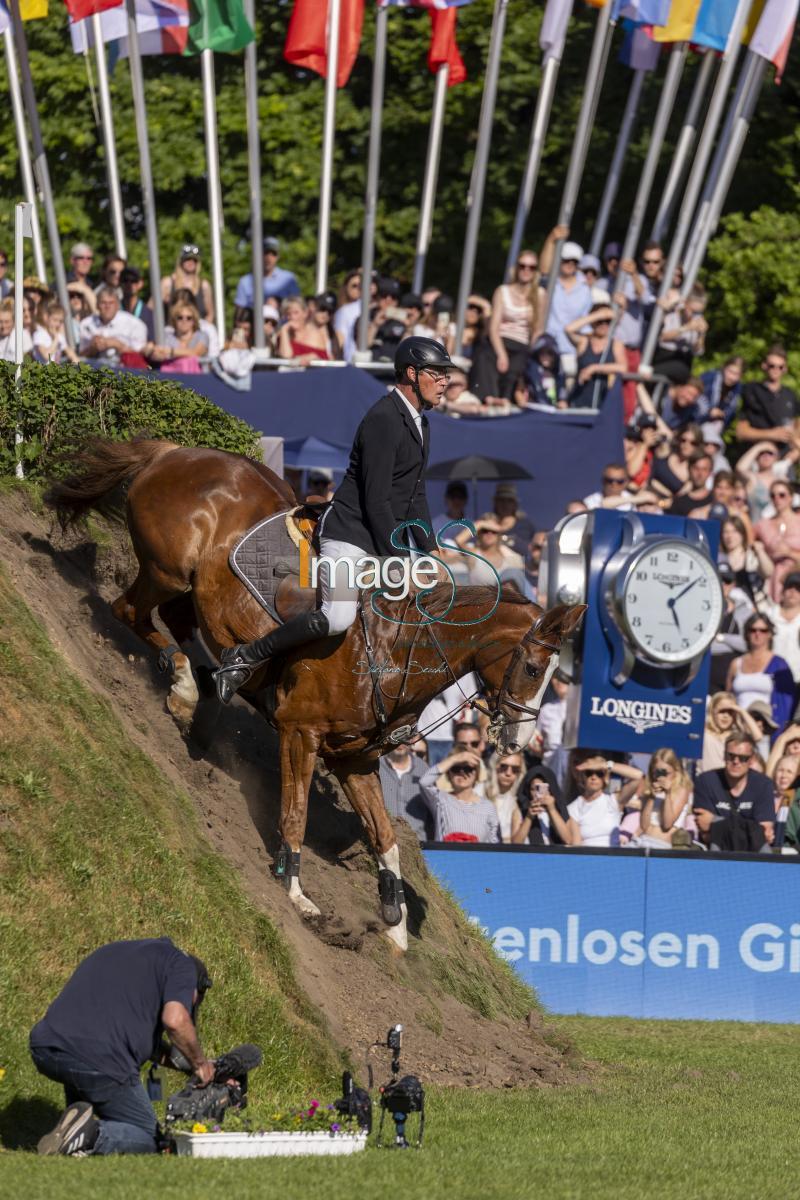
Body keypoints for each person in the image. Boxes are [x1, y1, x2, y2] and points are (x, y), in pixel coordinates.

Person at [214, 337, 453, 702]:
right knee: (338, 616)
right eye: (437, 373)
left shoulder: (421, 423)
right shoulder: (385, 419)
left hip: (378, 539)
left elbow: (416, 494)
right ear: (411, 373)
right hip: (350, 536)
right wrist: (403, 560)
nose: (445, 380)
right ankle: (245, 656)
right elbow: (376, 502)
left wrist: (431, 550)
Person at [29, 938, 213, 1156]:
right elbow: (175, 1020)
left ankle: (74, 1128)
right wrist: (201, 1064)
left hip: (46, 1045)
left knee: (87, 1074)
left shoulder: (120, 952)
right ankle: (90, 1135)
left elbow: (148, 1044)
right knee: (151, 1138)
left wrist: (188, 1066)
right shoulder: (183, 966)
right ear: (196, 989)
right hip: (100, 1059)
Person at [475, 251, 544, 402]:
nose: (526, 270)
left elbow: (538, 329)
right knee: (485, 356)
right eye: (523, 266)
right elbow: (494, 328)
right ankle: (488, 398)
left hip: (522, 343)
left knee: (518, 367)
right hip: (501, 339)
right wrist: (501, 354)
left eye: (531, 267)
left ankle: (507, 400)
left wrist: (531, 352)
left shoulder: (539, 294)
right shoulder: (502, 291)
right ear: (516, 268)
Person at [693, 732, 776, 846]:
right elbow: (706, 835)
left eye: (743, 758)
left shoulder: (763, 784)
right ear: (724, 755)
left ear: (751, 760)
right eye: (731, 756)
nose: (736, 761)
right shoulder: (705, 781)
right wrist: (751, 830)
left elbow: (764, 834)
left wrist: (715, 821)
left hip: (754, 855)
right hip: (715, 852)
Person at [726, 613, 795, 734]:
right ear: (747, 633)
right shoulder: (736, 663)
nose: (757, 634)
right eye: (753, 630)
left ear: (770, 634)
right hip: (739, 727)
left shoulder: (779, 665)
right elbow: (728, 697)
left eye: (763, 630)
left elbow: (787, 703)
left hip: (766, 728)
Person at [418, 748, 501, 843]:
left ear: (476, 773)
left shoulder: (488, 807)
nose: (462, 773)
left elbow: (494, 843)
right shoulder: (439, 799)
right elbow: (424, 782)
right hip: (446, 857)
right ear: (448, 773)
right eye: (456, 768)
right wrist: (454, 759)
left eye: (468, 769)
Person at [541, 229, 592, 361]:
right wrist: (551, 239)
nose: (570, 264)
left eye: (574, 262)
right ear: (560, 260)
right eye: (566, 260)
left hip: (571, 350)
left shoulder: (585, 290)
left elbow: (585, 324)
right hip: (546, 347)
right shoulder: (551, 282)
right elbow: (544, 269)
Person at [564, 304, 627, 409]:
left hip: (602, 403)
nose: (603, 325)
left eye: (607, 321)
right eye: (600, 321)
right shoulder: (584, 341)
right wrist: (598, 315)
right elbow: (568, 329)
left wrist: (594, 368)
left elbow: (623, 367)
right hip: (579, 401)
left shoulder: (615, 344)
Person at [736, 345, 799, 449]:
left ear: (785, 369)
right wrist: (771, 434)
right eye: (771, 365)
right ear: (764, 366)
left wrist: (794, 435)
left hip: (785, 456)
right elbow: (741, 433)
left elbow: (796, 423)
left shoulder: (790, 394)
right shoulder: (751, 390)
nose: (776, 369)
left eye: (780, 367)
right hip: (758, 454)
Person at [563, 751, 628, 847]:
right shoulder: (573, 807)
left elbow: (637, 776)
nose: (594, 777)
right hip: (588, 857)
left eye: (599, 773)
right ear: (582, 777)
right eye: (589, 773)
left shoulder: (614, 800)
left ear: (605, 777)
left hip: (614, 857)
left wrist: (605, 765)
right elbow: (576, 844)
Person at [633, 750, 694, 848]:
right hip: (643, 841)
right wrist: (651, 797)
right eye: (657, 772)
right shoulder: (649, 789)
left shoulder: (682, 790)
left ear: (676, 770)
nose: (661, 777)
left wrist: (668, 793)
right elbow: (644, 826)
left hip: (663, 846)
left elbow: (667, 824)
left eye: (665, 773)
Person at [709, 562, 753, 693]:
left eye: (727, 581)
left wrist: (721, 638)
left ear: (733, 585)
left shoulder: (745, 611)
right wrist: (733, 643)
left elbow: (748, 644)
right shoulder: (702, 609)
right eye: (719, 580)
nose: (723, 585)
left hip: (731, 681)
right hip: (705, 676)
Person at [754, 479, 800, 601]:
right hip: (773, 579)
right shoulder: (763, 525)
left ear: (791, 497)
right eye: (773, 495)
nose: (777, 499)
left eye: (782, 495)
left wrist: (789, 552)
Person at [378, 742, 433, 841]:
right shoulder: (376, 766)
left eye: (406, 736)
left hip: (417, 842)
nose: (401, 742)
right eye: (398, 735)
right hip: (384, 841)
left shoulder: (423, 768)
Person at [738, 439, 800, 524]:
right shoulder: (753, 479)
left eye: (770, 453)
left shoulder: (783, 481)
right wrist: (760, 446)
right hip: (756, 529)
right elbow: (740, 468)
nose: (766, 455)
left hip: (779, 530)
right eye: (761, 453)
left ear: (776, 458)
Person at [234, 236, 300, 313]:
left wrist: (279, 303)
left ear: (278, 256)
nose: (269, 258)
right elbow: (239, 314)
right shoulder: (245, 282)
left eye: (273, 254)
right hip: (255, 324)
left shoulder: (289, 279)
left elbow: (298, 308)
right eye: (265, 253)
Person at [78, 287, 147, 361]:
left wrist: (117, 345)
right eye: (103, 303)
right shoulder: (86, 324)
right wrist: (92, 348)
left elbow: (142, 356)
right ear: (97, 305)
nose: (107, 306)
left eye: (111, 303)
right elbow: (78, 356)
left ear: (118, 305)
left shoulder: (134, 324)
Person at [700, 691, 762, 772]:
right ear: (712, 711)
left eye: (730, 712)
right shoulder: (703, 732)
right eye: (722, 711)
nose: (726, 716)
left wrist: (740, 710)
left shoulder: (735, 735)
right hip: (705, 779)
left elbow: (758, 736)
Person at [718, 516, 770, 608]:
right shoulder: (719, 559)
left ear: (742, 534)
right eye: (726, 532)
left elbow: (768, 572)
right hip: (727, 609)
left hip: (754, 609)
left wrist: (760, 552)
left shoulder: (752, 556)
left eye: (735, 531)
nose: (730, 536)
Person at [512, 763, 570, 845]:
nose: (537, 793)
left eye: (542, 788)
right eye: (533, 789)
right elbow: (515, 844)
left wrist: (552, 809)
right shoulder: (520, 811)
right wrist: (528, 817)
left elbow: (568, 840)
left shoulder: (559, 809)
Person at [156, 245, 213, 325]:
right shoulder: (167, 283)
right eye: (187, 259)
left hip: (198, 333)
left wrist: (203, 330)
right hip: (171, 333)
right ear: (181, 261)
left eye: (194, 260)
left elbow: (210, 314)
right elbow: (152, 309)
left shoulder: (204, 285)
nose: (191, 262)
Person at [146, 300, 208, 369]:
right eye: (180, 317)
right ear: (174, 320)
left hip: (197, 377)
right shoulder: (167, 336)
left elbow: (196, 353)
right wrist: (154, 352)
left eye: (189, 318)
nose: (184, 320)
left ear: (194, 320)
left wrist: (169, 351)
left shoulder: (202, 336)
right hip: (171, 376)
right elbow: (155, 352)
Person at [648, 424, 705, 499]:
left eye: (693, 443)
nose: (686, 445)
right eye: (683, 440)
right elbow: (648, 478)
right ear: (678, 440)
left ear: (698, 446)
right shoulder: (665, 452)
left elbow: (677, 499)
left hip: (663, 506)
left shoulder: (692, 473)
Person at [763, 571, 800, 681]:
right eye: (789, 587)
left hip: (798, 679)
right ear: (783, 591)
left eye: (798, 588)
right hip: (770, 676)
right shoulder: (768, 615)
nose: (793, 592)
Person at [484, 483, 536, 558]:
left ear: (515, 504)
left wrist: (504, 539)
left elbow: (528, 549)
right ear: (495, 503)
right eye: (501, 500)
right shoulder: (487, 524)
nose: (505, 504)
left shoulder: (524, 526)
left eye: (509, 501)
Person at [484, 750, 524, 841]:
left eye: (515, 769)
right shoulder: (480, 791)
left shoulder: (520, 799)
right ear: (494, 766)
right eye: (503, 767)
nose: (508, 773)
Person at [700, 355, 744, 432]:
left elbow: (730, 414)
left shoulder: (738, 389)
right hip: (699, 417)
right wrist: (709, 410)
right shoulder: (709, 378)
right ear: (724, 368)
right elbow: (697, 398)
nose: (732, 377)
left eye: (737, 374)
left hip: (716, 425)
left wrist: (722, 415)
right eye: (730, 372)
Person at [525, 333, 566, 407]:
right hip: (535, 410)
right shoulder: (530, 371)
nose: (546, 356)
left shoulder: (558, 373)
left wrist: (562, 401)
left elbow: (562, 392)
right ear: (537, 354)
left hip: (552, 411)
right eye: (542, 353)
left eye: (550, 353)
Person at [668, 451, 714, 516]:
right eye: (696, 468)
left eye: (704, 469)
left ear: (710, 472)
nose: (700, 474)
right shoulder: (679, 502)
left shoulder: (715, 500)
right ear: (689, 469)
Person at [120, 267, 155, 341]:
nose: (129, 284)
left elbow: (152, 341)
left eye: (134, 280)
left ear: (140, 284)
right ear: (120, 283)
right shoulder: (113, 310)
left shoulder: (149, 314)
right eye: (125, 280)